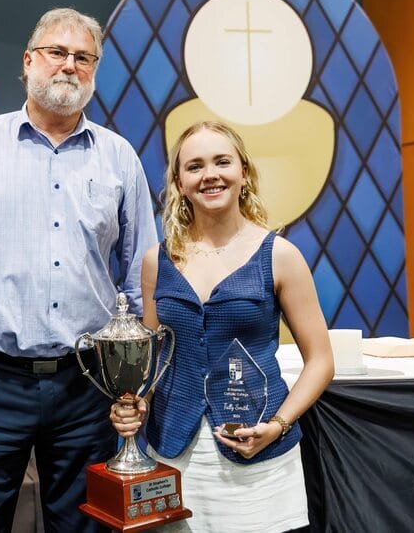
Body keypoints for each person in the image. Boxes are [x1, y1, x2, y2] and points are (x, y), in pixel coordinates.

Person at [0, 8, 157, 533]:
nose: (69, 65)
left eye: (83, 57)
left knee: (85, 526)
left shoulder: (118, 158)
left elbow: (142, 274)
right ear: (27, 61)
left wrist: (140, 379)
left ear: (95, 70)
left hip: (88, 385)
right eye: (56, 52)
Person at [110, 121, 334, 532]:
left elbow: (320, 360)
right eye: (195, 166)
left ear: (243, 173)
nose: (209, 174)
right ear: (180, 183)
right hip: (173, 452)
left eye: (222, 162)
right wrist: (137, 403)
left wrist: (278, 426)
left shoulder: (280, 256)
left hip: (259, 456)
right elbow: (153, 359)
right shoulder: (156, 261)